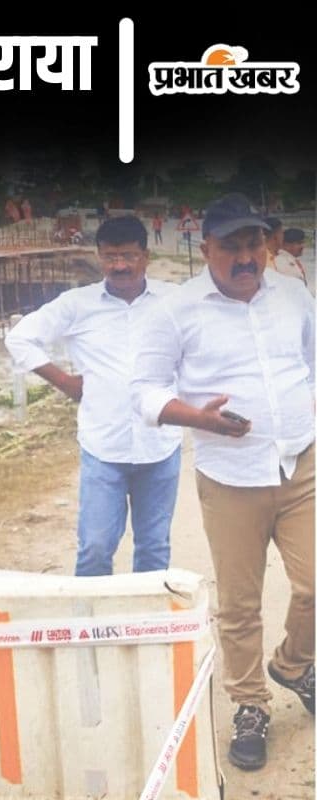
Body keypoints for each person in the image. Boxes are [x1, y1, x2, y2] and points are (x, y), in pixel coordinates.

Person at [132, 193, 314, 772]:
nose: (244, 257)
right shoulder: (175, 310)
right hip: (230, 478)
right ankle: (250, 705)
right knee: (240, 606)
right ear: (204, 247)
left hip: (301, 464)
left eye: (253, 244)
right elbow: (144, 391)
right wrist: (199, 419)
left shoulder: (292, 293)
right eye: (230, 246)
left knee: (313, 586)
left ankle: (292, 663)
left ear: (268, 244)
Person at [6, 216, 182, 576]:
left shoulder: (174, 301)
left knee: (154, 548)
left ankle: (147, 626)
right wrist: (64, 381)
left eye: (129, 256)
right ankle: (90, 627)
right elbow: (19, 338)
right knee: (96, 548)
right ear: (100, 258)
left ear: (145, 257)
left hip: (160, 446)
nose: (120, 265)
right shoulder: (76, 304)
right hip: (104, 447)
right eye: (111, 257)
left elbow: (206, 347)